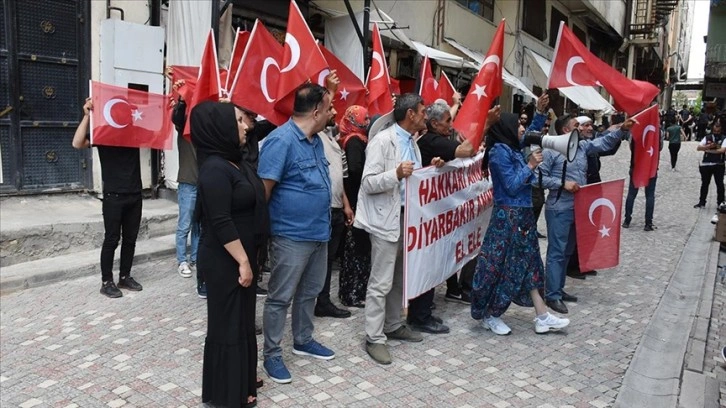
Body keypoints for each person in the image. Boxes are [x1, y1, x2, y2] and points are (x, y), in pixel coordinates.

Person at [354, 93, 445, 365]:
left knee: (398, 277)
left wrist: (430, 169)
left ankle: (393, 324)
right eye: (422, 111)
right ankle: (374, 336)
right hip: (384, 219)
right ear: (410, 115)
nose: (425, 116)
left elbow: (411, 179)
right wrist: (395, 174)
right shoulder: (383, 141)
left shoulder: (412, 143)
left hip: (407, 217)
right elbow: (368, 182)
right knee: (381, 280)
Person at [258, 83, 337, 384]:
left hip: (319, 233)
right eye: (329, 107)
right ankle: (272, 355)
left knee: (310, 292)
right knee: (280, 297)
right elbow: (263, 193)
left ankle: (303, 339)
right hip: (290, 236)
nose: (332, 113)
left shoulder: (316, 140)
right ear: (316, 110)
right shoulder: (281, 141)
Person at [192, 101, 267, 408]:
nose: (245, 125)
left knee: (243, 321)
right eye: (238, 121)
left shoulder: (235, 161)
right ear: (220, 128)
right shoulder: (213, 169)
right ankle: (227, 392)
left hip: (242, 254)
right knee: (228, 323)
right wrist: (244, 261)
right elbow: (221, 221)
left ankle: (243, 378)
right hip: (227, 259)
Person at [470, 112, 570, 336]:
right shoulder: (498, 153)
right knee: (503, 267)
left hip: (522, 216)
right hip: (508, 218)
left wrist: (540, 112)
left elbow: (528, 136)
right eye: (518, 126)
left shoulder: (511, 148)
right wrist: (531, 165)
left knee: (531, 264)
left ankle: (542, 316)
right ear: (506, 129)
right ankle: (490, 314)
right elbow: (512, 186)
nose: (523, 129)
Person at [539, 115, 636, 314]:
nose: (582, 128)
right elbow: (536, 177)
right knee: (557, 252)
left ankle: (558, 287)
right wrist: (562, 184)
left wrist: (622, 130)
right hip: (559, 208)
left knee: (568, 251)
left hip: (579, 208)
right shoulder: (551, 152)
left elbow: (604, 142)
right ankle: (552, 295)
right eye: (577, 126)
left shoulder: (582, 147)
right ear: (566, 130)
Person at [405, 100, 477, 334]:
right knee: (426, 264)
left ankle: (423, 310)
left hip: (433, 218)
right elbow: (467, 151)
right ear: (435, 123)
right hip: (424, 219)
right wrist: (484, 125)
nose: (451, 124)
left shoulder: (431, 141)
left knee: (432, 263)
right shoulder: (429, 141)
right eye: (448, 121)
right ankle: (419, 315)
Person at [72, 97, 144, 298]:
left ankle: (125, 276)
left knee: (130, 239)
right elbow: (77, 143)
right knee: (112, 239)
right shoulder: (104, 133)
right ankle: (106, 282)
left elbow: (159, 129)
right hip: (114, 196)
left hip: (135, 194)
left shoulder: (134, 132)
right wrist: (87, 116)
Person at [315, 72, 355, 319]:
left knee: (328, 260)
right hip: (322, 209)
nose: (334, 113)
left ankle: (323, 301)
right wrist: (328, 89)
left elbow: (338, 178)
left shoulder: (333, 141)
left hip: (337, 208)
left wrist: (346, 205)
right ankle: (315, 300)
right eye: (330, 110)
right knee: (319, 261)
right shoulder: (316, 136)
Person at [169, 83, 203, 297]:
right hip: (188, 183)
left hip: (203, 184)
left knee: (199, 224)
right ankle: (182, 260)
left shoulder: (205, 132)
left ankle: (197, 258)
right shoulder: (184, 129)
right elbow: (178, 118)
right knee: (185, 224)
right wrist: (181, 100)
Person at [338, 105, 372, 308]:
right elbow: (355, 169)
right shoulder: (355, 142)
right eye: (364, 118)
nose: (367, 122)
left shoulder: (355, 139)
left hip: (355, 200)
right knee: (356, 250)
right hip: (356, 201)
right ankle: (353, 293)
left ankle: (353, 292)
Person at [694, 119, 726, 209]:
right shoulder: (707, 137)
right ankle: (702, 202)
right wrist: (708, 147)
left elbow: (722, 150)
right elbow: (699, 148)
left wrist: (708, 150)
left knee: (719, 184)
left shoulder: (724, 138)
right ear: (712, 130)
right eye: (715, 131)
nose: (716, 132)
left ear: (721, 130)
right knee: (704, 184)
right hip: (706, 164)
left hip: (719, 164)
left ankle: (720, 202)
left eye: (718, 131)